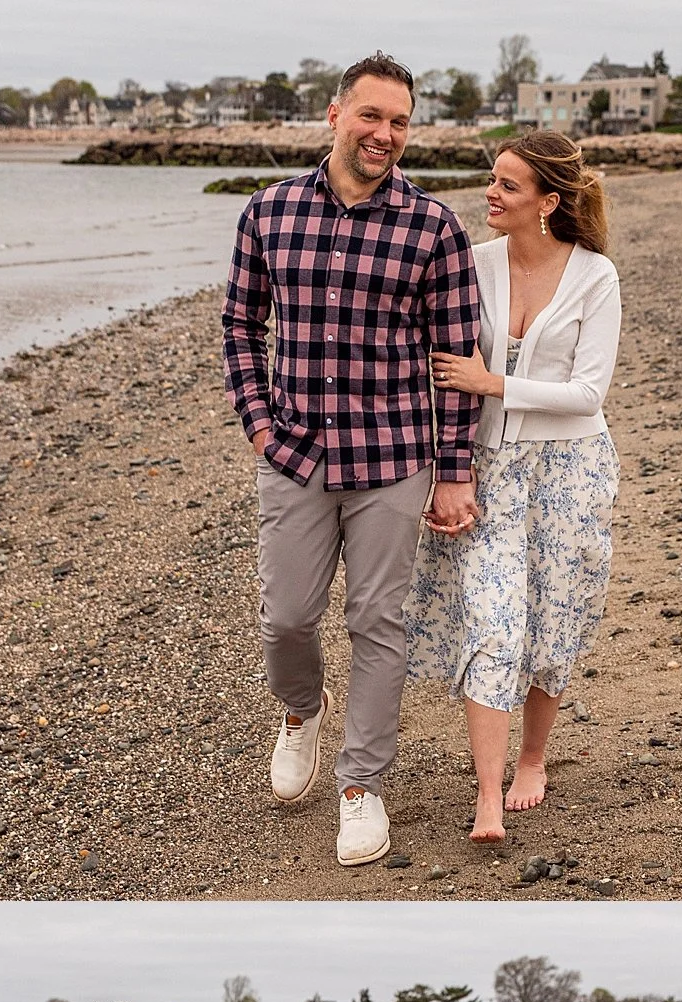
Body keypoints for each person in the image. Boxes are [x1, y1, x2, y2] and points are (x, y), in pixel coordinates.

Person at [223, 50, 482, 869]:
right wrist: (261, 427)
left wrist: (454, 466)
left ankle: (362, 786)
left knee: (379, 623)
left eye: (401, 122)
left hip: (394, 457)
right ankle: (302, 709)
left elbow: (457, 356)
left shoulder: (433, 225)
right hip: (293, 453)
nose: (386, 135)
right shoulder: (268, 213)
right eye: (371, 116)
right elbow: (239, 328)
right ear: (335, 116)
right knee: (287, 618)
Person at [405, 131, 622, 844]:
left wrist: (493, 382)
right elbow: (440, 361)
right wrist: (447, 467)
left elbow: (589, 393)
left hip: (572, 469)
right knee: (495, 623)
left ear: (547, 202)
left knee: (553, 619)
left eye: (507, 185)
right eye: (490, 180)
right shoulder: (471, 264)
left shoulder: (596, 276)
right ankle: (489, 796)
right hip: (491, 470)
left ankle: (535, 757)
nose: (489, 194)